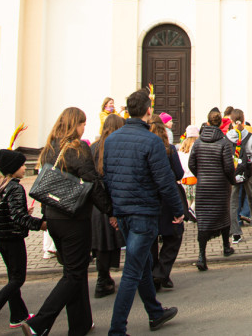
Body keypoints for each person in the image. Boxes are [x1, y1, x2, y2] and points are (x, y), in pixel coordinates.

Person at [23, 107, 114, 336]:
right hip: (74, 219)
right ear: (75, 125)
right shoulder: (78, 147)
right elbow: (92, 182)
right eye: (83, 124)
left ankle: (81, 324)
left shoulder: (49, 146)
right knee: (73, 274)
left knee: (77, 271)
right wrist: (110, 210)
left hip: (54, 218)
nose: (85, 128)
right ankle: (39, 323)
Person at [102, 89, 182, 336]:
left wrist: (113, 211)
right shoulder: (152, 141)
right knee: (132, 271)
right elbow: (165, 180)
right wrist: (178, 210)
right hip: (143, 213)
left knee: (144, 261)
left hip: (124, 212)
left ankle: (155, 312)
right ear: (149, 111)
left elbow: (108, 178)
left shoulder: (112, 140)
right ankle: (117, 329)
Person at [0, 149, 46, 335]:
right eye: (22, 165)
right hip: (13, 237)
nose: (24, 168)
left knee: (12, 276)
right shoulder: (15, 187)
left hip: (0, 236)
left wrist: (22, 211)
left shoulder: (0, 184)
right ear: (13, 168)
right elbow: (18, 217)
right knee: (17, 279)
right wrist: (40, 224)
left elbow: (5, 211)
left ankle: (18, 315)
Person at [187, 108, 236, 271]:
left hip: (203, 186)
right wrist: (231, 180)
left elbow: (191, 163)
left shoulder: (199, 141)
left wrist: (201, 175)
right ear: (221, 123)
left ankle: (202, 255)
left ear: (208, 122)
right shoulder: (223, 142)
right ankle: (226, 246)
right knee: (223, 216)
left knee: (203, 220)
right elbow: (229, 166)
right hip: (220, 186)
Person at [90, 114, 125, 298]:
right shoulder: (117, 146)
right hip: (111, 202)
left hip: (97, 203)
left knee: (103, 243)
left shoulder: (94, 147)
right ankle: (102, 281)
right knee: (108, 242)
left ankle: (104, 278)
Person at [148, 121, 185, 291]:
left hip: (151, 197)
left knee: (152, 239)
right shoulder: (169, 149)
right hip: (168, 198)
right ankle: (160, 272)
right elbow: (178, 173)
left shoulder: (146, 149)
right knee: (174, 235)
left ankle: (157, 273)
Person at [227, 109, 252, 243]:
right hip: (248, 169)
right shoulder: (248, 135)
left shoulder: (227, 137)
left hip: (234, 170)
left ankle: (235, 232)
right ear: (243, 120)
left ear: (231, 121)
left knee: (233, 201)